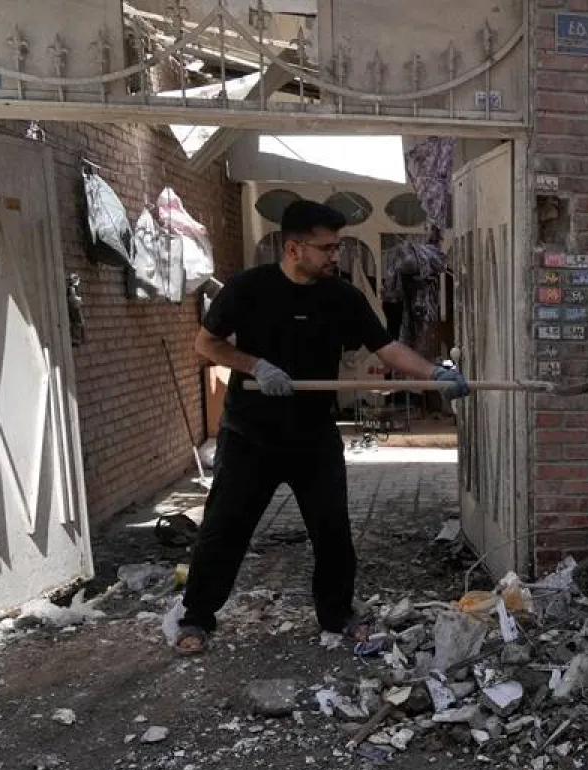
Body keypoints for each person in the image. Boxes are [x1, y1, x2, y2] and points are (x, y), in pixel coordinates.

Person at [174, 200, 468, 655]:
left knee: (332, 531)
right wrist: (255, 365)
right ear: (294, 248)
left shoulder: (341, 296)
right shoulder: (248, 289)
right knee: (224, 528)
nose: (336, 256)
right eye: (327, 247)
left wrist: (435, 375)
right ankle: (197, 617)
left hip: (312, 434)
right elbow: (206, 344)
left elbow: (386, 348)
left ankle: (337, 614)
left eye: (338, 246)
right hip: (249, 435)